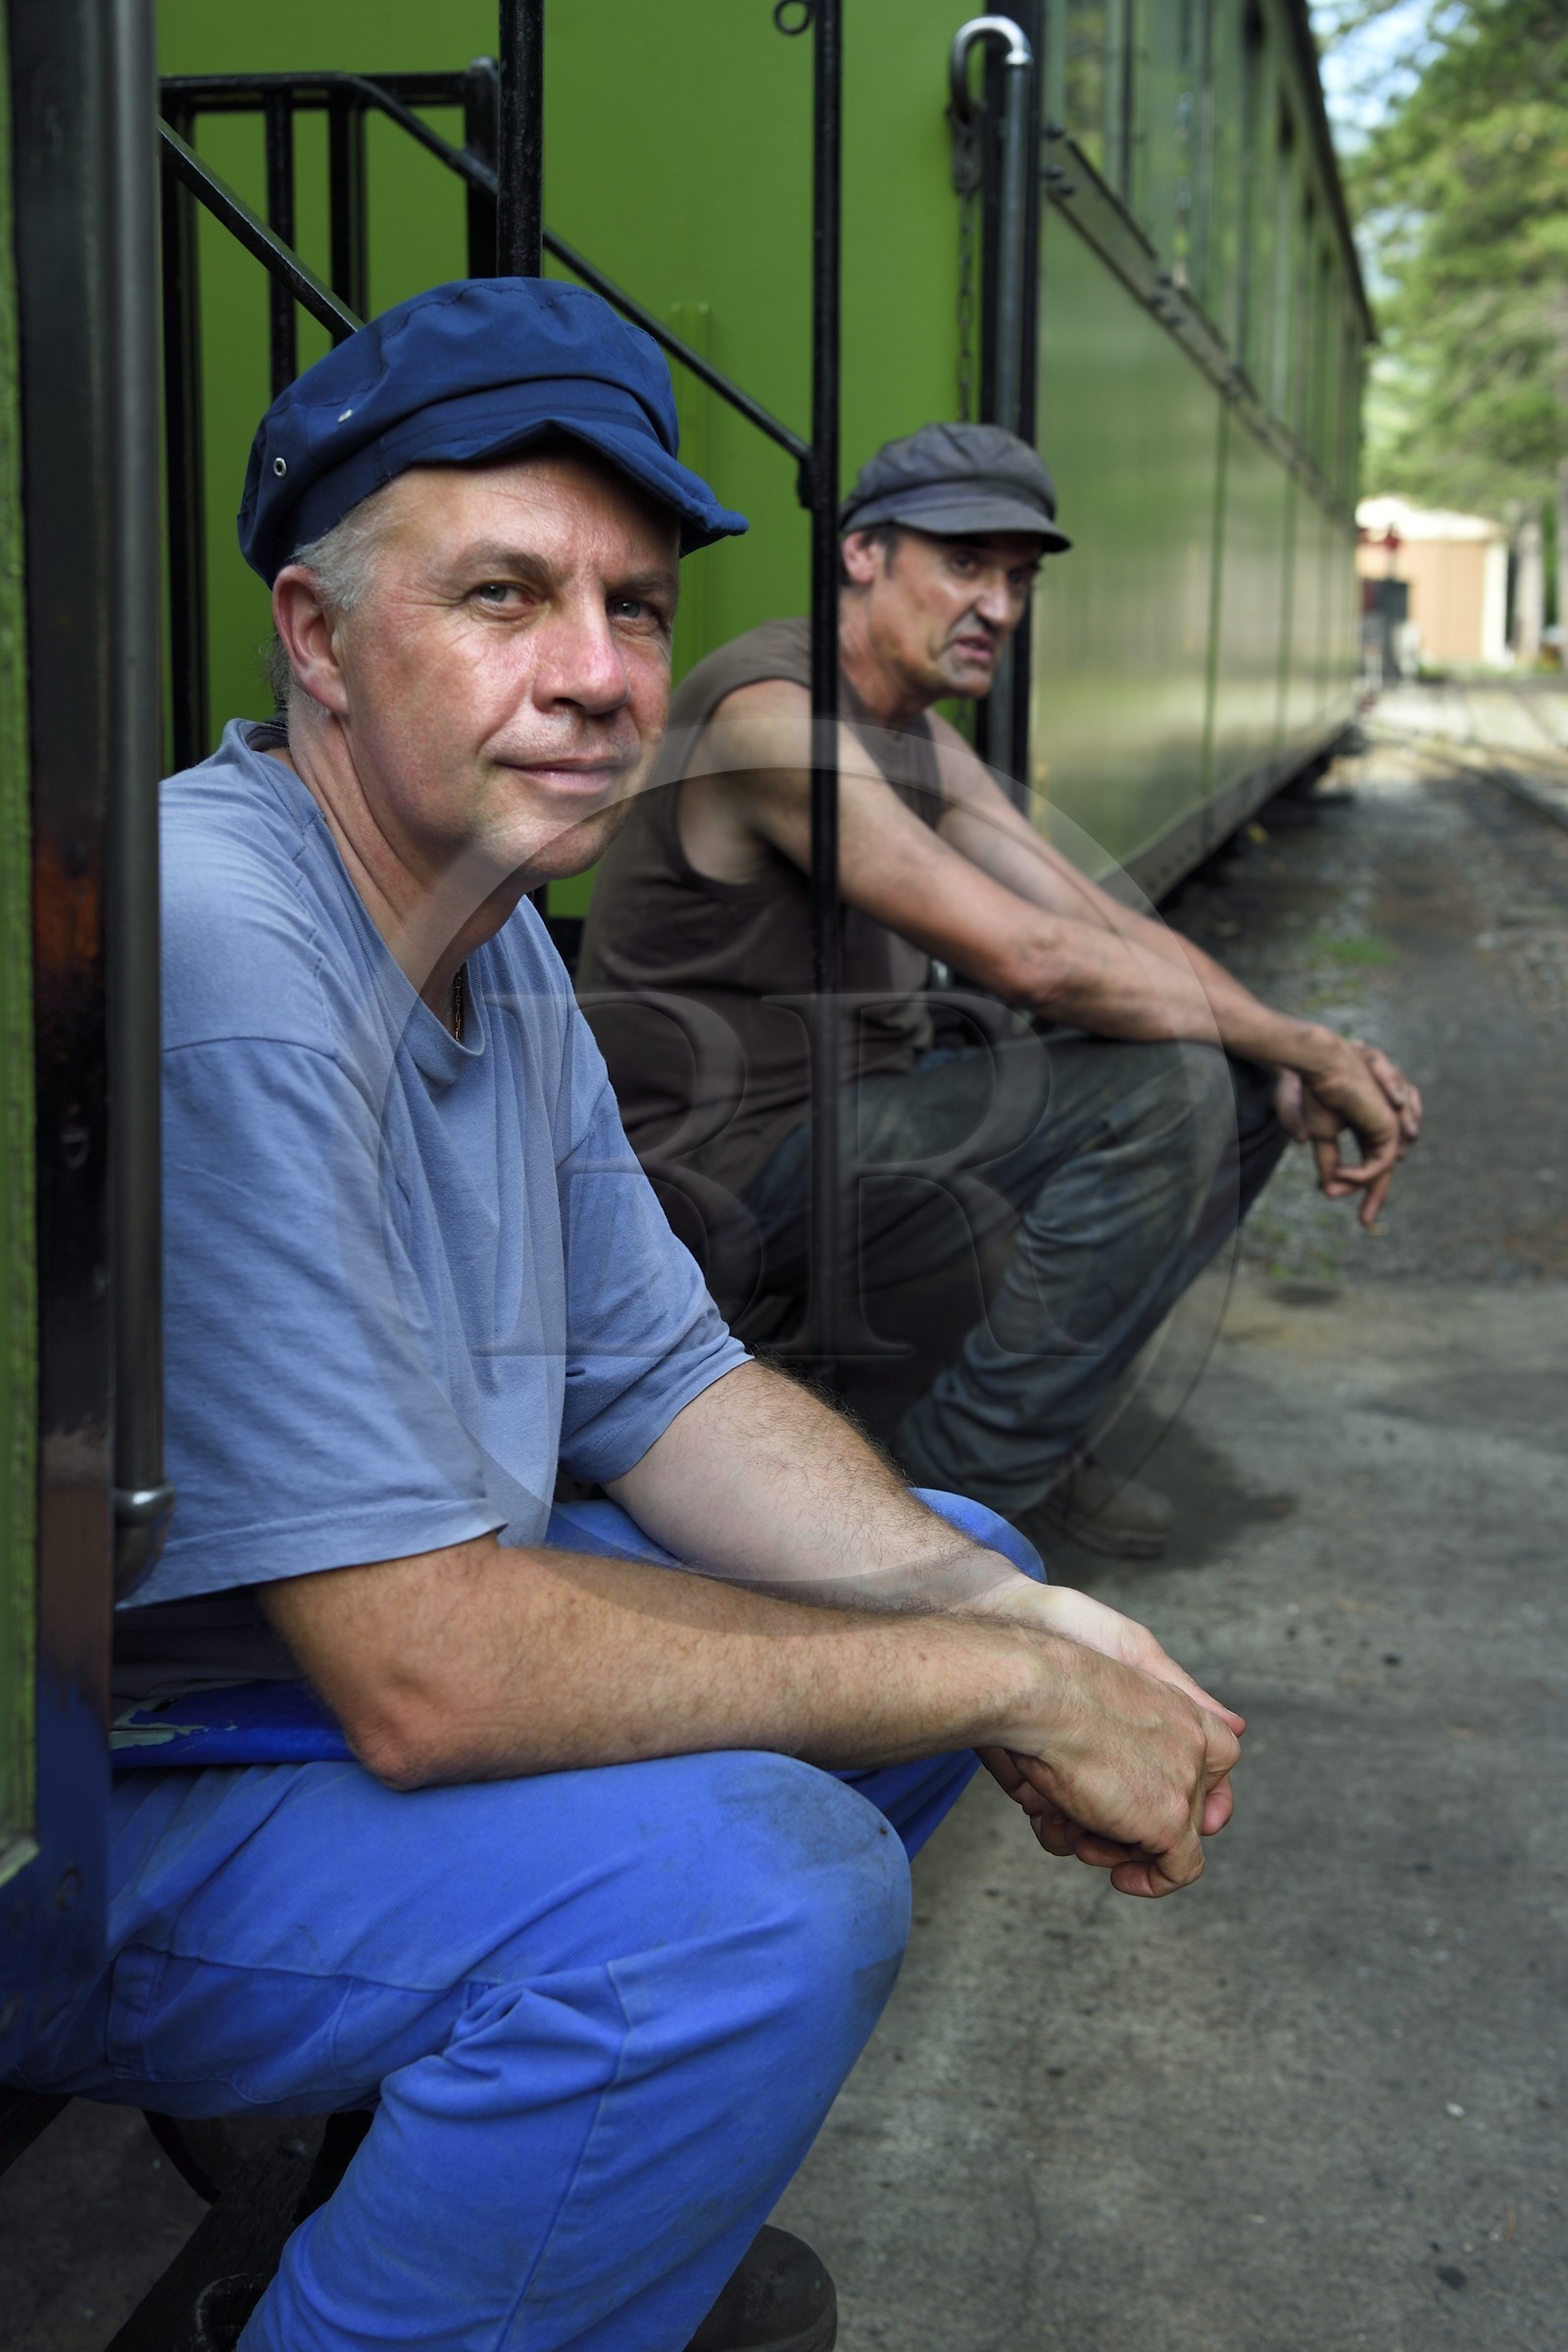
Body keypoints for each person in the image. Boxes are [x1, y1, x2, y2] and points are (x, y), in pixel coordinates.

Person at [3, 286, 1244, 2352]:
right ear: (314, 637)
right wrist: (1008, 1695)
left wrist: (1031, 1631)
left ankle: (458, 2195)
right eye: (503, 595)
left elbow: (661, 1382)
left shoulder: (489, 937)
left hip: (286, 1679)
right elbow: (417, 1670)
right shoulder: (224, 936)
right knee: (757, 1908)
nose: (595, 677)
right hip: (99, 1803)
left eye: (636, 608)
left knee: (985, 1586)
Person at [576, 421, 1423, 1558]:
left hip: (845, 1132)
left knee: (1226, 1083)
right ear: (864, 554)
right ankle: (943, 1523)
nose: (999, 607)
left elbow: (1101, 919)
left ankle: (1009, 1453)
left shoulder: (913, 732)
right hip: (710, 1178)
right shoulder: (770, 716)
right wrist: (1309, 1047)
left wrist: (1289, 1047)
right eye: (964, 564)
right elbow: (1031, 960)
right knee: (1166, 1090)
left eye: (1017, 579)